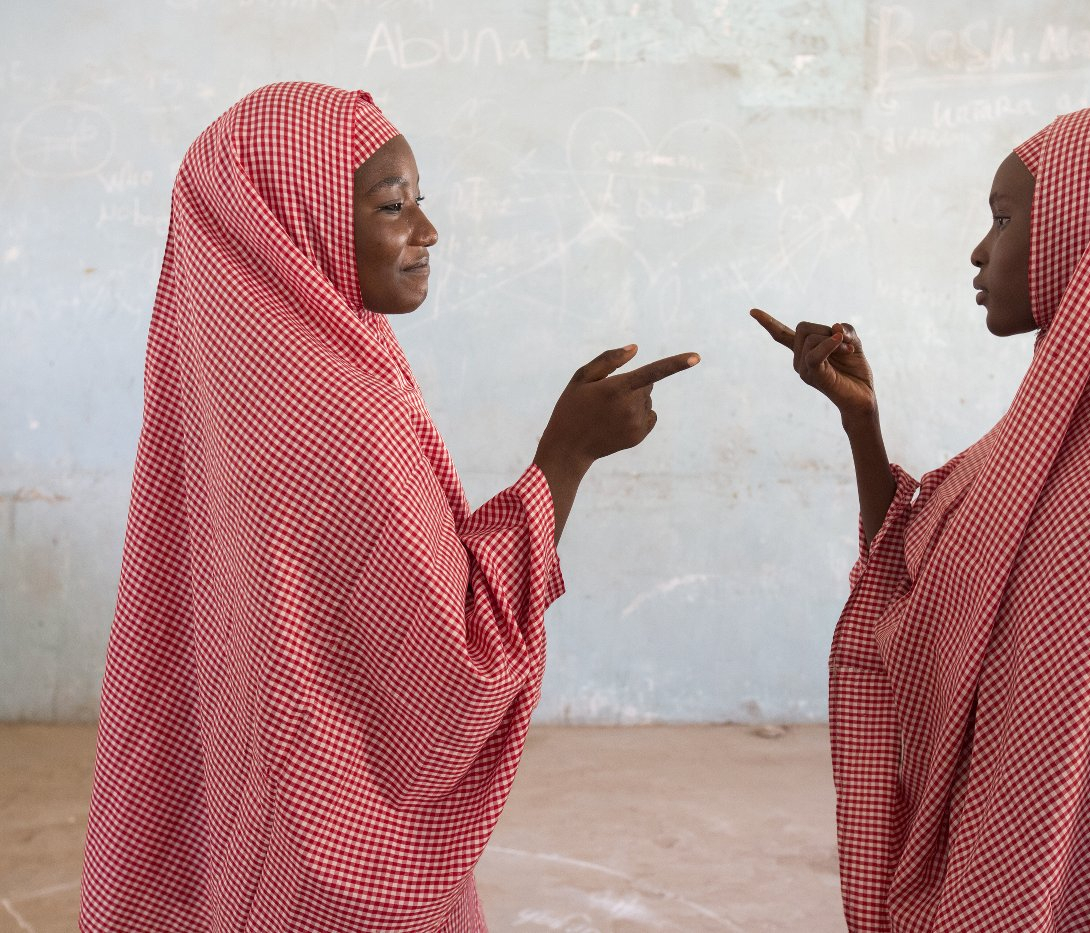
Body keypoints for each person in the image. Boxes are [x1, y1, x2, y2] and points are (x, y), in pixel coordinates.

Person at [80, 81, 698, 931]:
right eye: (390, 205)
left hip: (246, 780)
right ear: (293, 223)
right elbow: (450, 657)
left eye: (420, 201)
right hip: (318, 854)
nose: (427, 230)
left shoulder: (225, 372)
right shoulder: (350, 409)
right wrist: (569, 454)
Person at [752, 106, 1090, 930]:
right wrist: (862, 421)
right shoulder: (1060, 430)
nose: (979, 250)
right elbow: (922, 586)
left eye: (1003, 218)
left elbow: (942, 624)